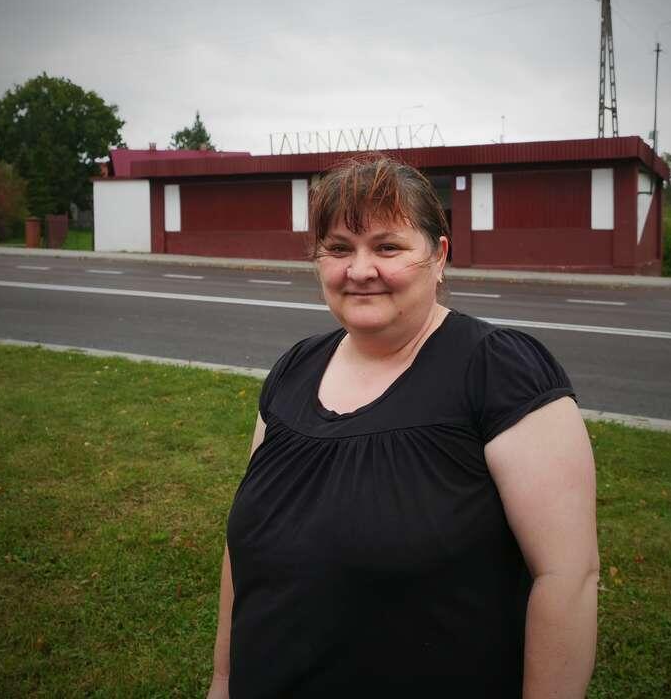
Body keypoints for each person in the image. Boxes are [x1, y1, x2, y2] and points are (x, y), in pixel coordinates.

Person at [207, 155, 599, 698]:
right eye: (338, 248)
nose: (359, 270)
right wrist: (224, 681)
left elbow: (567, 579)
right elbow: (245, 553)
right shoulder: (293, 371)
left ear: (439, 256)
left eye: (387, 247)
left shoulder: (500, 372)